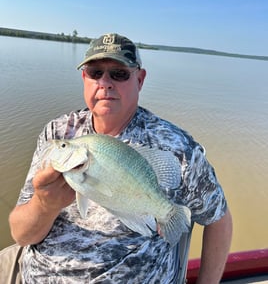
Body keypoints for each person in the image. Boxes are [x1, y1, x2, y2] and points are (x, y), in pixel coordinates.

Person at [6, 33, 232, 283]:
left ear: (140, 79)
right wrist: (44, 205)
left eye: (119, 73)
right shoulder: (58, 133)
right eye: (95, 72)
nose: (105, 83)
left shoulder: (178, 149)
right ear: (84, 78)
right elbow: (21, 236)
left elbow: (219, 219)